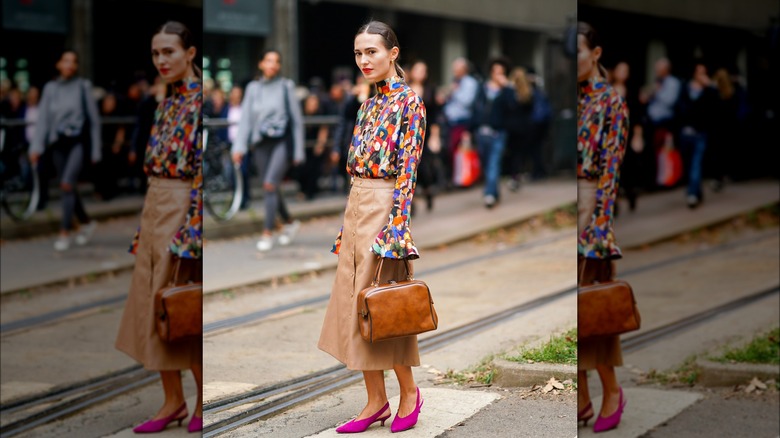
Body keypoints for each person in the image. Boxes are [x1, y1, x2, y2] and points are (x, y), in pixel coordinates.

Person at [318, 20, 426, 434]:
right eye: (359, 53)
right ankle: (375, 401)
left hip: (385, 208)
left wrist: (397, 228)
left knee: (385, 308)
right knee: (355, 308)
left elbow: (408, 173)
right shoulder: (367, 104)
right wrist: (348, 224)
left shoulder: (409, 103)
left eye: (372, 52)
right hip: (357, 205)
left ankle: (410, 394)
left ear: (393, 53)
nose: (364, 60)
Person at [114, 21, 203, 433]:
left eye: (169, 51)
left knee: (182, 306)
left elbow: (202, 171)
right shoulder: (165, 101)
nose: (161, 60)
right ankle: (172, 401)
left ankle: (202, 401)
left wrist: (192, 231)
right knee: (154, 307)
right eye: (156, 53)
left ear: (190, 53)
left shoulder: (200, 102)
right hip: (154, 208)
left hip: (182, 209)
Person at [576, 22, 629, 433]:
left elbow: (611, 171)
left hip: (590, 205)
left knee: (593, 311)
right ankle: (580, 395)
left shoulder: (612, 102)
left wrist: (600, 226)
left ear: (595, 53)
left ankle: (611, 388)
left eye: (577, 51)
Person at [231, 49, 304, 252]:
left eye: (276, 61)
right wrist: (239, 146)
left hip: (282, 142)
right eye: (268, 60)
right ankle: (289, 223)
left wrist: (299, 150)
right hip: (261, 143)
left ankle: (267, 232)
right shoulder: (253, 88)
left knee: (270, 184)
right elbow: (245, 119)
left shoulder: (286, 86)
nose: (272, 64)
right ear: (261, 64)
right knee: (269, 186)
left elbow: (297, 121)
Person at [28, 50, 101, 251]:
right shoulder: (51, 88)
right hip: (57, 144)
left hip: (77, 142)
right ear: (58, 64)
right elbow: (43, 119)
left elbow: (94, 121)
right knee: (67, 186)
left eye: (73, 61)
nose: (69, 65)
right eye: (66, 61)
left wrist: (96, 150)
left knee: (67, 184)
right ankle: (86, 223)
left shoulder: (82, 86)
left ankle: (64, 232)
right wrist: (36, 147)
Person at [473, 56, 516, 208]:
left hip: (499, 133)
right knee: (486, 164)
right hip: (482, 132)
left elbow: (513, 107)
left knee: (494, 163)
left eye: (501, 72)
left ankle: (489, 194)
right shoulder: (483, 88)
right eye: (495, 72)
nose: (498, 75)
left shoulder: (507, 91)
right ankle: (494, 191)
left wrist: (508, 88)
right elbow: (475, 108)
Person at [676, 61, 717, 208]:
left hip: (701, 133)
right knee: (688, 165)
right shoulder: (685, 88)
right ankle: (697, 191)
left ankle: (692, 194)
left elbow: (716, 107)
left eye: (704, 72)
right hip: (685, 133)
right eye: (699, 72)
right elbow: (679, 107)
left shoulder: (708, 91)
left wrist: (710, 87)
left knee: (696, 164)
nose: (702, 75)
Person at [407, 59, 444, 212]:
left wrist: (435, 137)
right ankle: (411, 201)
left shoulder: (430, 90)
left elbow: (435, 115)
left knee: (424, 167)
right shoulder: (406, 89)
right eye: (418, 70)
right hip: (409, 133)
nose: (420, 73)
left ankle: (428, 191)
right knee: (409, 167)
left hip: (425, 133)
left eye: (423, 71)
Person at [442, 57, 479, 183]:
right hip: (451, 121)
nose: (454, 72)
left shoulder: (470, 83)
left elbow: (467, 101)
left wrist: (455, 91)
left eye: (456, 69)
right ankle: (457, 177)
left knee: (460, 151)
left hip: (462, 121)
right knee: (451, 150)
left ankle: (463, 178)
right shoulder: (456, 82)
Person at [504, 67, 534, 192]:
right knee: (519, 154)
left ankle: (514, 175)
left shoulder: (510, 92)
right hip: (523, 128)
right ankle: (518, 173)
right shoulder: (527, 92)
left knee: (512, 153)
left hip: (512, 128)